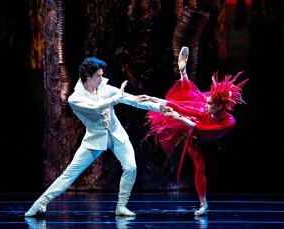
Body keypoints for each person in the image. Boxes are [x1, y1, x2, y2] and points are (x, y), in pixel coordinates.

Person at [25, 57, 172, 217]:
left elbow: (132, 100)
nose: (102, 79)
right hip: (95, 138)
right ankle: (40, 203)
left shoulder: (104, 88)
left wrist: (159, 108)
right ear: (88, 76)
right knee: (70, 174)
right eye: (99, 76)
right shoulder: (75, 98)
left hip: (116, 134)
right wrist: (116, 99)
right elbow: (95, 106)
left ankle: (121, 207)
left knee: (131, 167)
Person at [139, 46, 248, 216]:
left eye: (210, 103)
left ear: (219, 106)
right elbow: (178, 106)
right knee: (199, 164)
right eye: (208, 101)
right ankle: (203, 204)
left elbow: (201, 127)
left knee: (195, 101)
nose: (207, 104)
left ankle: (184, 76)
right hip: (195, 131)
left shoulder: (229, 122)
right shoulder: (204, 110)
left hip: (203, 129)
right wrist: (151, 98)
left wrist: (179, 117)